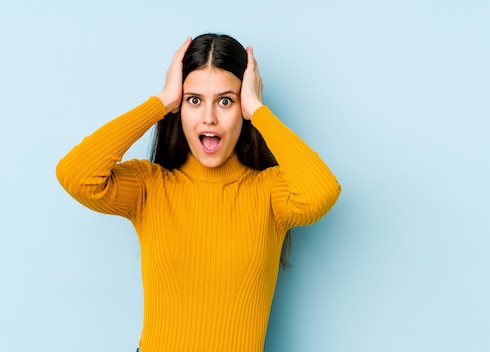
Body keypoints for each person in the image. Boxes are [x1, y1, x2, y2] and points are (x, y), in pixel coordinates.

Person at [56, 33, 341, 352]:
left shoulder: (270, 192)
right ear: (180, 107)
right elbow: (76, 174)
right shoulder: (151, 186)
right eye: (194, 100)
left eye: (226, 101)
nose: (209, 117)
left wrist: (258, 110)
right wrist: (161, 102)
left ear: (241, 110)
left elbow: (321, 192)